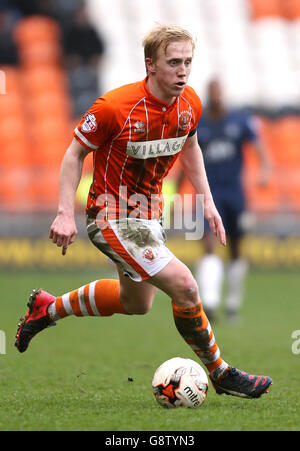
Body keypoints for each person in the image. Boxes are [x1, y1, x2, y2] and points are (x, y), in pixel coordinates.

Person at [15, 24, 272, 399]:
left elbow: (191, 148)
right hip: (110, 216)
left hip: (147, 218)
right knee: (185, 285)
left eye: (187, 62)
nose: (183, 70)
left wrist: (208, 202)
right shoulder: (114, 107)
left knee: (136, 303)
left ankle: (47, 309)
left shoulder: (190, 105)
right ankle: (221, 373)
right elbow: (74, 153)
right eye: (173, 63)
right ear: (151, 65)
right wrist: (64, 213)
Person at [195, 79, 271, 323]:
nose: (215, 96)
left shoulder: (239, 121)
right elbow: (188, 155)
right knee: (208, 243)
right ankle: (210, 299)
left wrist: (265, 170)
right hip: (208, 194)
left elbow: (259, 147)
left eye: (218, 92)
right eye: (212, 92)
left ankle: (232, 302)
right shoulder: (199, 124)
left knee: (236, 247)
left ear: (222, 94)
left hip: (235, 194)